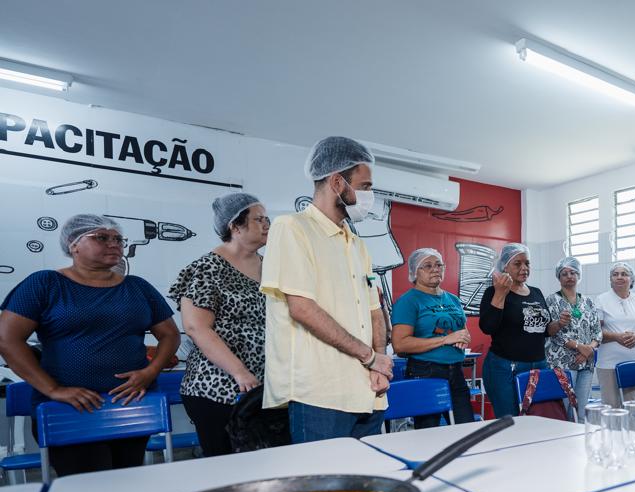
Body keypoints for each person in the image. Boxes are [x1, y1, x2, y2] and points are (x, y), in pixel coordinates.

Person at [0, 214, 180, 476]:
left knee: (129, 482)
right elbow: (7, 339)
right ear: (73, 244)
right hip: (71, 410)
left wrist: (150, 373)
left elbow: (170, 335)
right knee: (86, 490)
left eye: (118, 238)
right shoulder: (45, 284)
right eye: (102, 237)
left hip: (129, 407)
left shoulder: (138, 287)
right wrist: (53, 389)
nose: (114, 243)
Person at [260, 136, 393, 442]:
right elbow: (302, 308)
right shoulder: (292, 228)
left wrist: (380, 363)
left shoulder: (357, 244)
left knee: (364, 483)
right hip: (320, 393)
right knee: (322, 485)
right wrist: (369, 357)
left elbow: (374, 309)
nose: (369, 195)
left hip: (369, 390)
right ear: (336, 182)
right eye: (365, 186)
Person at [168, 193, 269, 457]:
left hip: (263, 389)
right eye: (259, 219)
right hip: (218, 389)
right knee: (228, 467)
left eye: (267, 218)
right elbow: (196, 327)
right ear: (234, 226)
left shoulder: (270, 266)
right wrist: (239, 372)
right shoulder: (207, 268)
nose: (267, 224)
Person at [479, 243, 568, 417]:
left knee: (539, 418)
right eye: (517, 264)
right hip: (504, 367)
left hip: (538, 365)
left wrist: (559, 324)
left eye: (527, 263)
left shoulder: (536, 292)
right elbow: (487, 327)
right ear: (505, 266)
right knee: (509, 419)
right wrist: (500, 293)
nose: (524, 268)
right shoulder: (493, 291)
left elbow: (544, 330)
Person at [390, 247, 475, 428]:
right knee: (429, 435)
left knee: (466, 429)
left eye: (438, 265)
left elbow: (461, 330)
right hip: (425, 371)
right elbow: (400, 344)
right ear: (414, 272)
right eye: (427, 266)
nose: (435, 269)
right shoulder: (409, 301)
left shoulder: (453, 299)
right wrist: (445, 340)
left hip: (456, 371)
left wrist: (462, 337)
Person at [544, 256, 601, 420]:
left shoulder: (588, 302)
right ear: (558, 277)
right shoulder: (552, 300)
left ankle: (579, 444)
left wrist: (588, 348)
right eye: (564, 273)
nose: (569, 276)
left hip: (587, 362)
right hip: (563, 363)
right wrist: (578, 346)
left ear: (579, 275)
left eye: (573, 272)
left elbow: (597, 330)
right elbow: (553, 332)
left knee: (581, 411)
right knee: (565, 408)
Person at [596, 261, 635, 408]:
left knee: (633, 410)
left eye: (624, 274)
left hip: (634, 362)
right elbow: (595, 332)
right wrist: (617, 337)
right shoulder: (601, 300)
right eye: (615, 274)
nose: (619, 277)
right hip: (609, 364)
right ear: (611, 280)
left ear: (631, 279)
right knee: (612, 411)